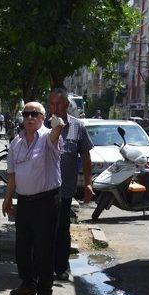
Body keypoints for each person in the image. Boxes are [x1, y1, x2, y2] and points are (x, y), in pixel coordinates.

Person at [1, 101, 64, 295]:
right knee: (22, 246)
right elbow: (12, 174)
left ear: (42, 117)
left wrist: (59, 126)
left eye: (34, 114)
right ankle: (28, 283)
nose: (29, 117)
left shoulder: (48, 137)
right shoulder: (16, 142)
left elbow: (55, 136)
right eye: (26, 114)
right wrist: (8, 197)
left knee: (44, 248)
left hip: (46, 201)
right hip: (25, 202)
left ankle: (45, 290)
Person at [48, 87, 94, 281]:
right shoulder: (43, 126)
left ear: (66, 105)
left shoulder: (77, 126)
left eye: (58, 104)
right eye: (51, 104)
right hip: (44, 189)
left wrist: (89, 183)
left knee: (62, 230)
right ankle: (42, 267)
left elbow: (85, 155)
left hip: (65, 189)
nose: (55, 107)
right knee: (44, 229)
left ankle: (61, 267)